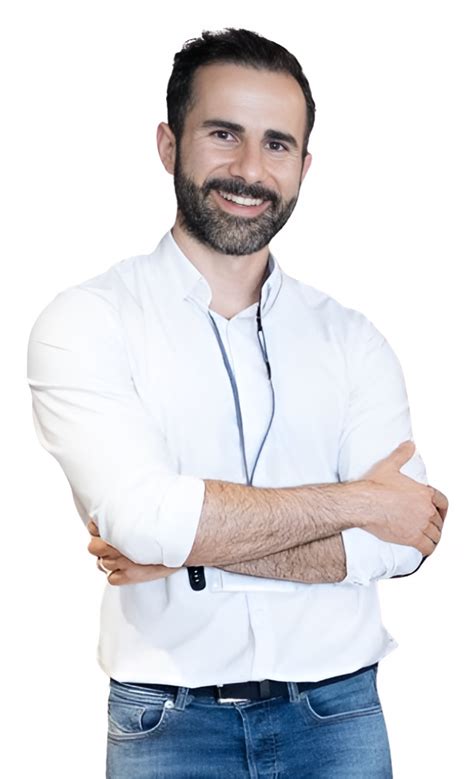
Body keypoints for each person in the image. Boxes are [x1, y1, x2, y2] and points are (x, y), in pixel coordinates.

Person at [27, 27, 448, 779]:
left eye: (277, 144)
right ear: (169, 144)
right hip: (168, 724)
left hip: (339, 717)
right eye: (224, 134)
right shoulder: (87, 322)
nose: (250, 170)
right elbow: (145, 521)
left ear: (304, 166)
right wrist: (359, 502)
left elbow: (402, 540)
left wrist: (189, 553)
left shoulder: (353, 340)